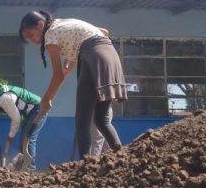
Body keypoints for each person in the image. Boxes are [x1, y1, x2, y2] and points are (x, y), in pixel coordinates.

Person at [19, 10, 127, 159]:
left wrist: (46, 99)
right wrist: (70, 66)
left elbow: (58, 76)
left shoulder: (50, 34)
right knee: (101, 119)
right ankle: (122, 158)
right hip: (111, 56)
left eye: (31, 35)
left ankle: (85, 168)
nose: (32, 40)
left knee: (82, 121)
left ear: (40, 24)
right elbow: (103, 32)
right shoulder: (63, 23)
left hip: (92, 57)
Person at [0, 79, 48, 171]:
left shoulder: (4, 98)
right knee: (23, 140)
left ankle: (30, 170)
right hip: (30, 112)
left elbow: (16, 119)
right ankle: (22, 168)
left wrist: (10, 136)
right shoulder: (1, 94)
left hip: (38, 109)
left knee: (29, 139)